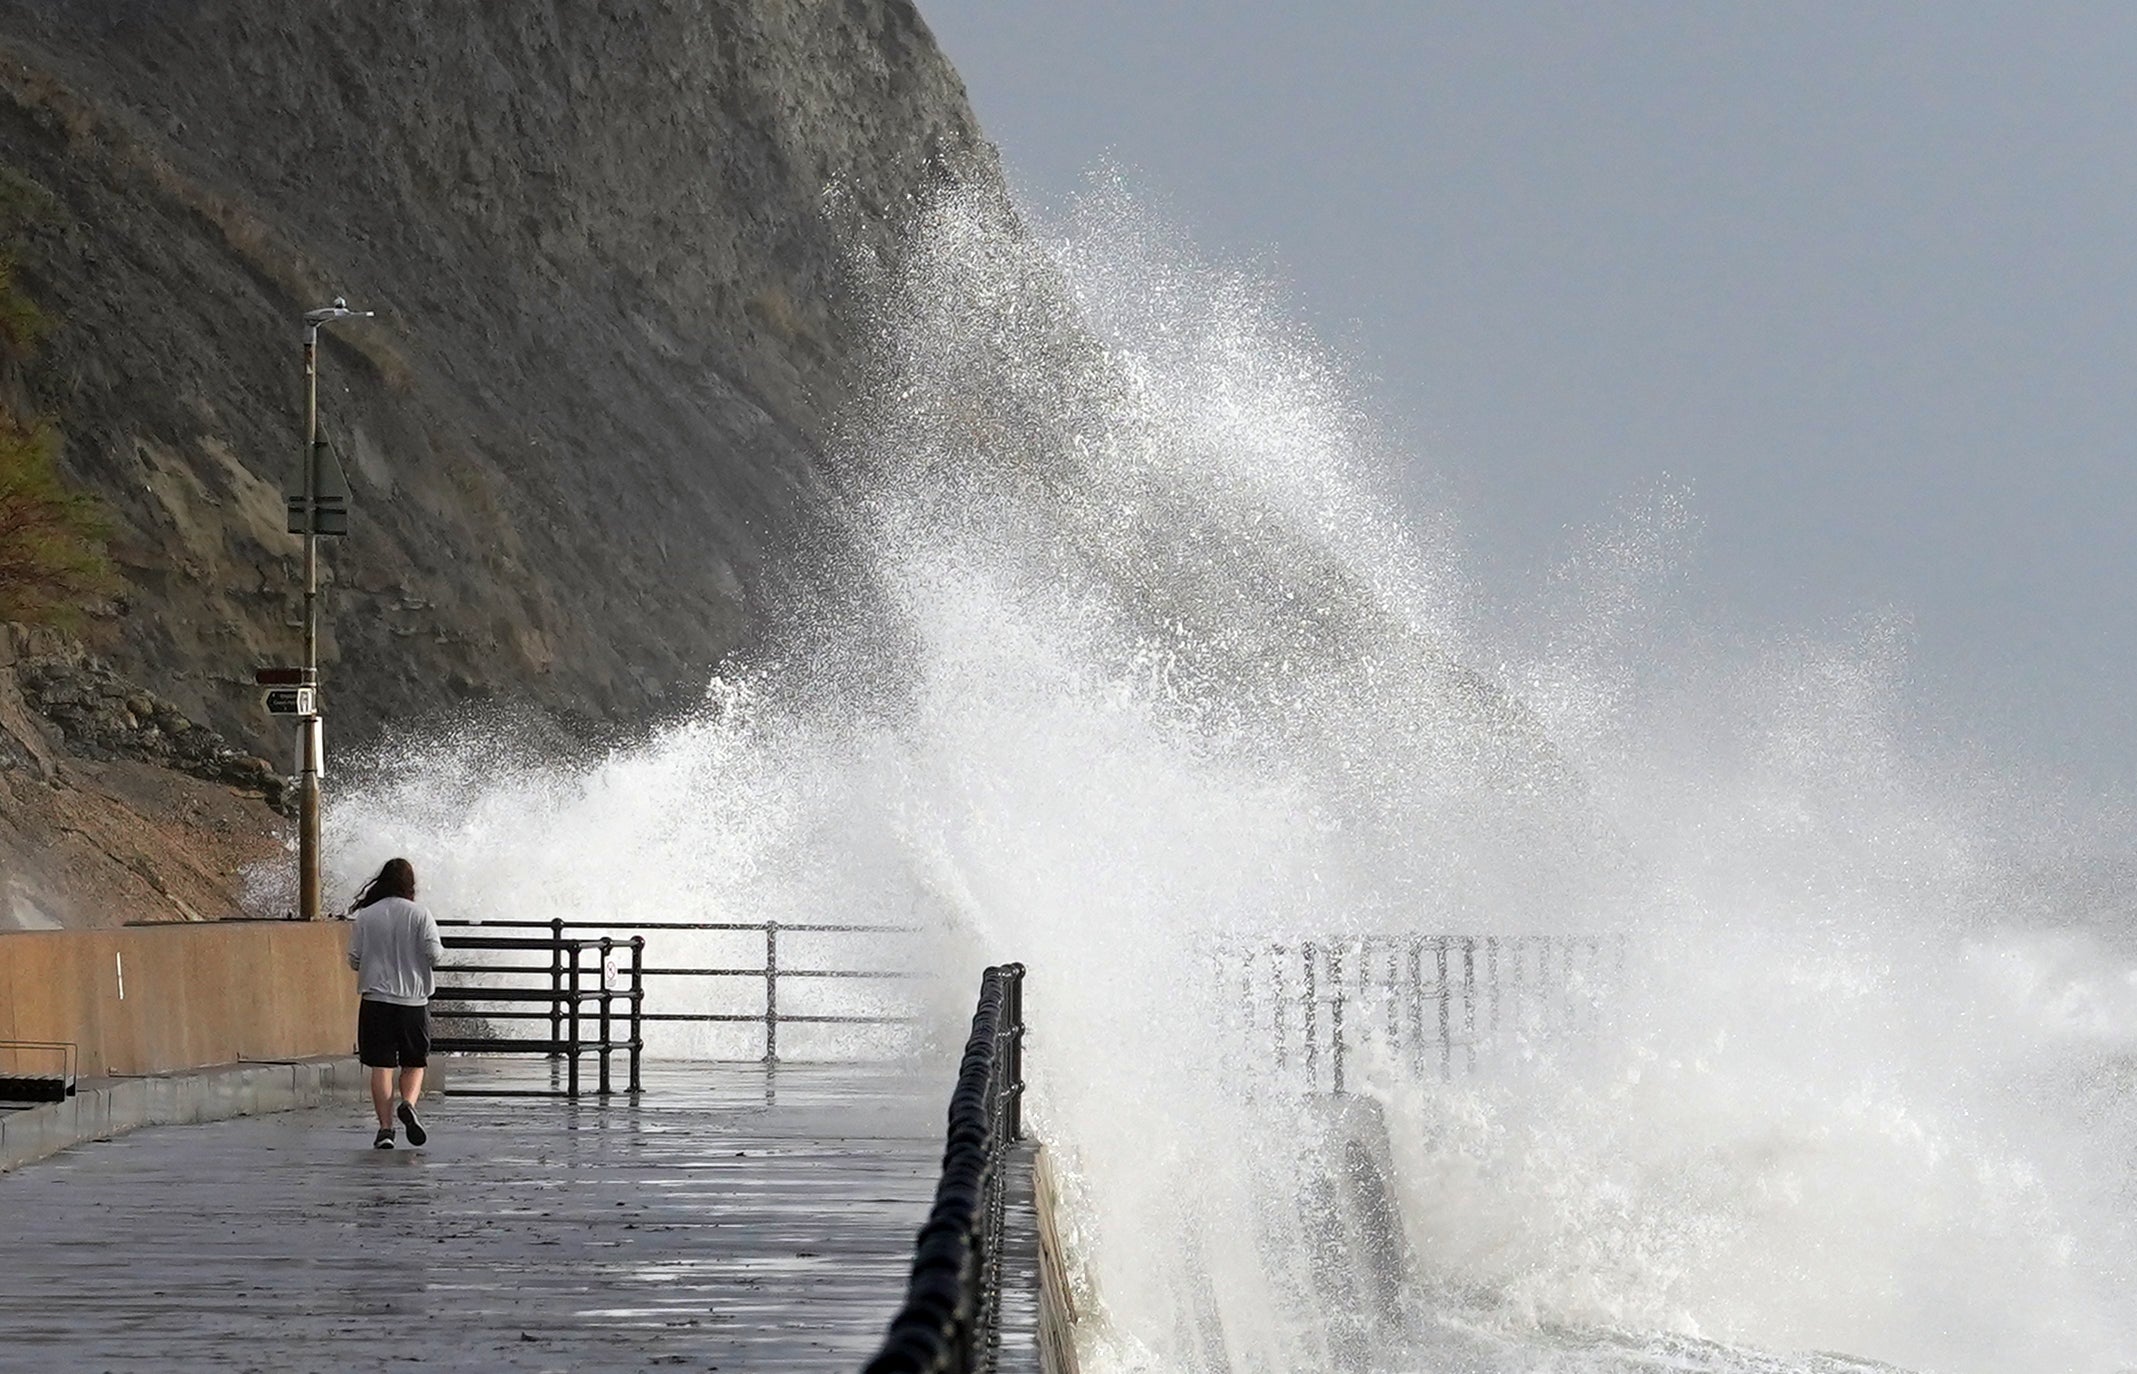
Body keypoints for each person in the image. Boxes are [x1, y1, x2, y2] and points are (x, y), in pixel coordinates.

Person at [345, 857, 445, 1149]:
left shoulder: (366, 916)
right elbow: (435, 955)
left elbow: (353, 959)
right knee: (414, 1062)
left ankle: (385, 1130)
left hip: (376, 1000)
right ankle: (409, 1105)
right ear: (410, 885)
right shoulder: (420, 914)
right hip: (413, 1001)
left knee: (381, 1066)